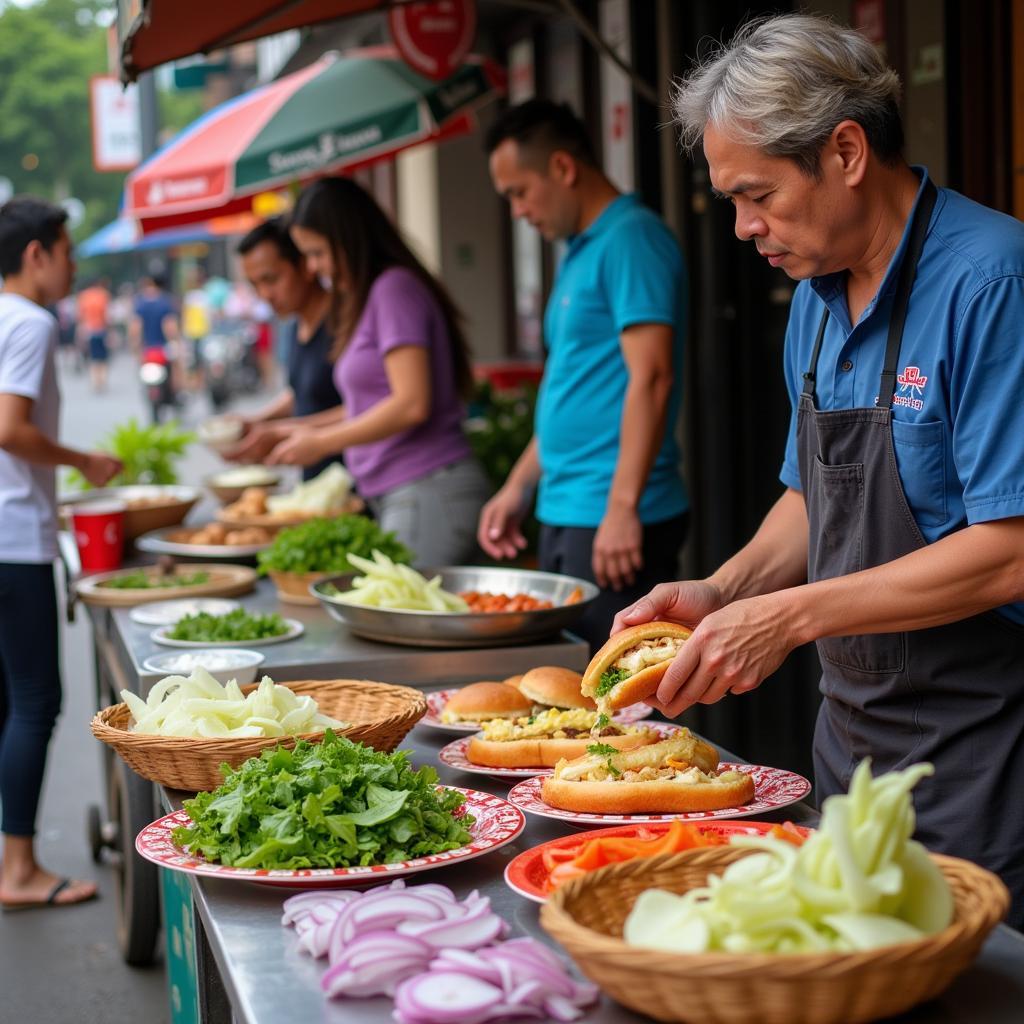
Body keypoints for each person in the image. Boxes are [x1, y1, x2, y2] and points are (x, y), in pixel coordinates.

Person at [615, 13, 1024, 926]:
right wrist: (723, 592)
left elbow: (1010, 551)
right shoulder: (813, 297)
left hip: (985, 758)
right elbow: (811, 497)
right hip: (849, 742)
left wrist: (787, 616)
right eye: (728, 199)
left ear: (844, 152)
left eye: (756, 194)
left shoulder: (992, 282)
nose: (741, 227)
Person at [479, 100, 689, 652]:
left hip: (610, 518)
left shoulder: (631, 239)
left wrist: (621, 510)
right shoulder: (579, 250)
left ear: (563, 168)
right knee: (577, 694)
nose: (518, 211)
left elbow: (653, 376)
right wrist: (518, 484)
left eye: (519, 192)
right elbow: (574, 385)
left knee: (624, 704)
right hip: (570, 509)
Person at [260, 178, 490, 565]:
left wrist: (323, 442)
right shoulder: (370, 296)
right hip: (406, 493)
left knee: (403, 620)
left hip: (429, 489)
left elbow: (410, 403)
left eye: (317, 253)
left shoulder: (393, 289)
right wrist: (293, 430)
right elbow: (372, 405)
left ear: (347, 237)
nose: (314, 269)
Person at [0, 196, 122, 910]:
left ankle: (9, 857)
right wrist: (82, 461)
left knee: (8, 704)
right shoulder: (33, 322)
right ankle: (18, 871)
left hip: (15, 529)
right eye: (67, 250)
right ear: (37, 253)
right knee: (35, 702)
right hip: (14, 542)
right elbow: (10, 429)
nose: (75, 264)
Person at [227, 217, 338, 480]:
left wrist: (282, 431)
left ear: (305, 265)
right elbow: (303, 391)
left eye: (271, 279)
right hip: (316, 484)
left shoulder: (343, 321)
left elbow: (366, 406)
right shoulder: (292, 325)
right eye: (255, 285)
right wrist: (257, 421)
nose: (264, 294)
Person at [76, 277, 111, 392]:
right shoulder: (103, 295)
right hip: (101, 329)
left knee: (93, 357)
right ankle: (102, 380)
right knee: (103, 357)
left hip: (88, 330)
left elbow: (80, 315)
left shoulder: (83, 296)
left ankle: (95, 381)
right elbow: (107, 315)